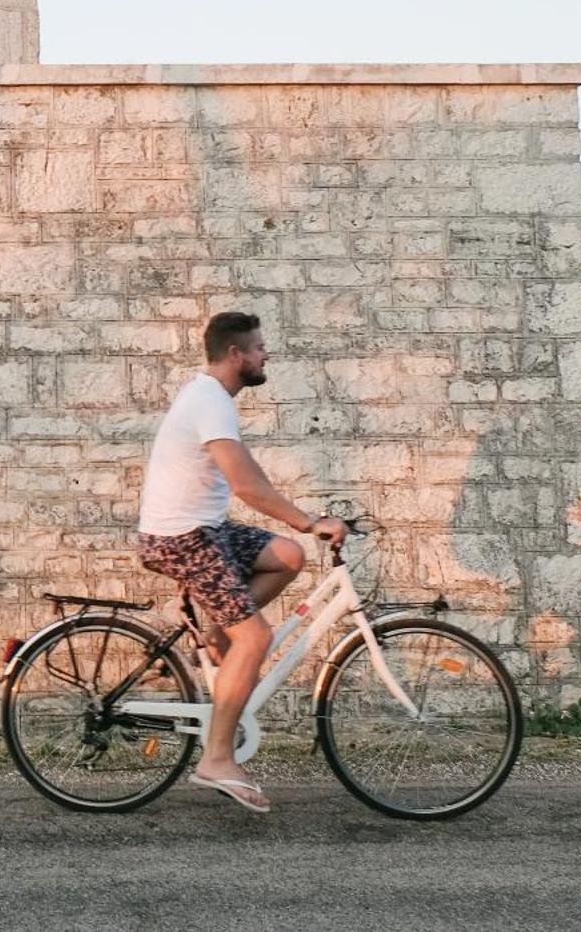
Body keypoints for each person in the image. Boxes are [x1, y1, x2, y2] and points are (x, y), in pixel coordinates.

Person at [135, 312, 346, 814]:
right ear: (236, 354)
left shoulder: (213, 400)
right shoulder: (209, 400)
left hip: (205, 528)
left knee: (288, 557)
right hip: (181, 537)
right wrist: (308, 520)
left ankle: (215, 638)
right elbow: (247, 486)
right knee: (255, 638)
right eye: (258, 347)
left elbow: (249, 475)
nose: (265, 354)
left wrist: (299, 528)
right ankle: (216, 759)